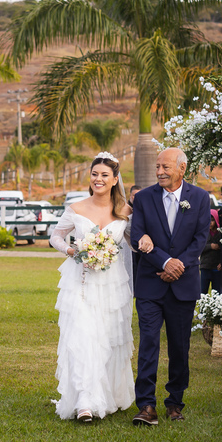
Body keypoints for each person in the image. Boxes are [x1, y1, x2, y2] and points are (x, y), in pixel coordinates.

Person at [48, 153, 134, 422]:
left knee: (107, 339)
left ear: (115, 179)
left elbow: (134, 242)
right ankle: (84, 401)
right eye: (95, 174)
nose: (99, 179)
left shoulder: (125, 212)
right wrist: (71, 250)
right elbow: (55, 236)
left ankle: (106, 395)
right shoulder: (76, 208)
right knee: (83, 337)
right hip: (81, 284)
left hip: (112, 285)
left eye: (104, 175)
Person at [130, 147, 211, 425]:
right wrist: (164, 263)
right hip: (150, 285)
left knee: (180, 346)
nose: (160, 172)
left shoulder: (200, 198)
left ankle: (175, 402)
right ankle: (146, 405)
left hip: (183, 285)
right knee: (149, 344)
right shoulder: (143, 199)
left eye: (166, 167)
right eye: (157, 167)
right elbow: (138, 236)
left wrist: (178, 266)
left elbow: (200, 239)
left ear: (182, 168)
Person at [200, 210, 222, 294]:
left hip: (216, 267)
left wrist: (221, 262)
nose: (210, 223)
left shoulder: (220, 234)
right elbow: (199, 247)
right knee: (203, 291)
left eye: (212, 220)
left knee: (216, 292)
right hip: (205, 266)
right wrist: (211, 246)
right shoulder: (203, 233)